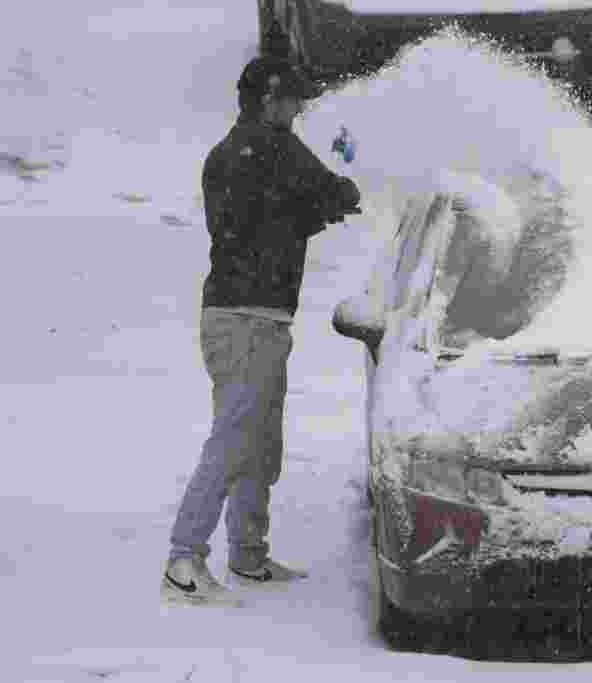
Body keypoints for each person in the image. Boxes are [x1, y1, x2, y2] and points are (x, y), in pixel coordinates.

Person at [161, 55, 361, 605]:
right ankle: (184, 559)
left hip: (262, 317)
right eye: (294, 101)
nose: (300, 110)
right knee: (233, 438)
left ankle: (248, 554)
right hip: (242, 318)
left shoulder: (254, 151)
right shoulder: (257, 150)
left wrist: (321, 206)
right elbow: (298, 202)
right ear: (270, 101)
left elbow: (283, 212)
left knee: (260, 442)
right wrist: (331, 200)